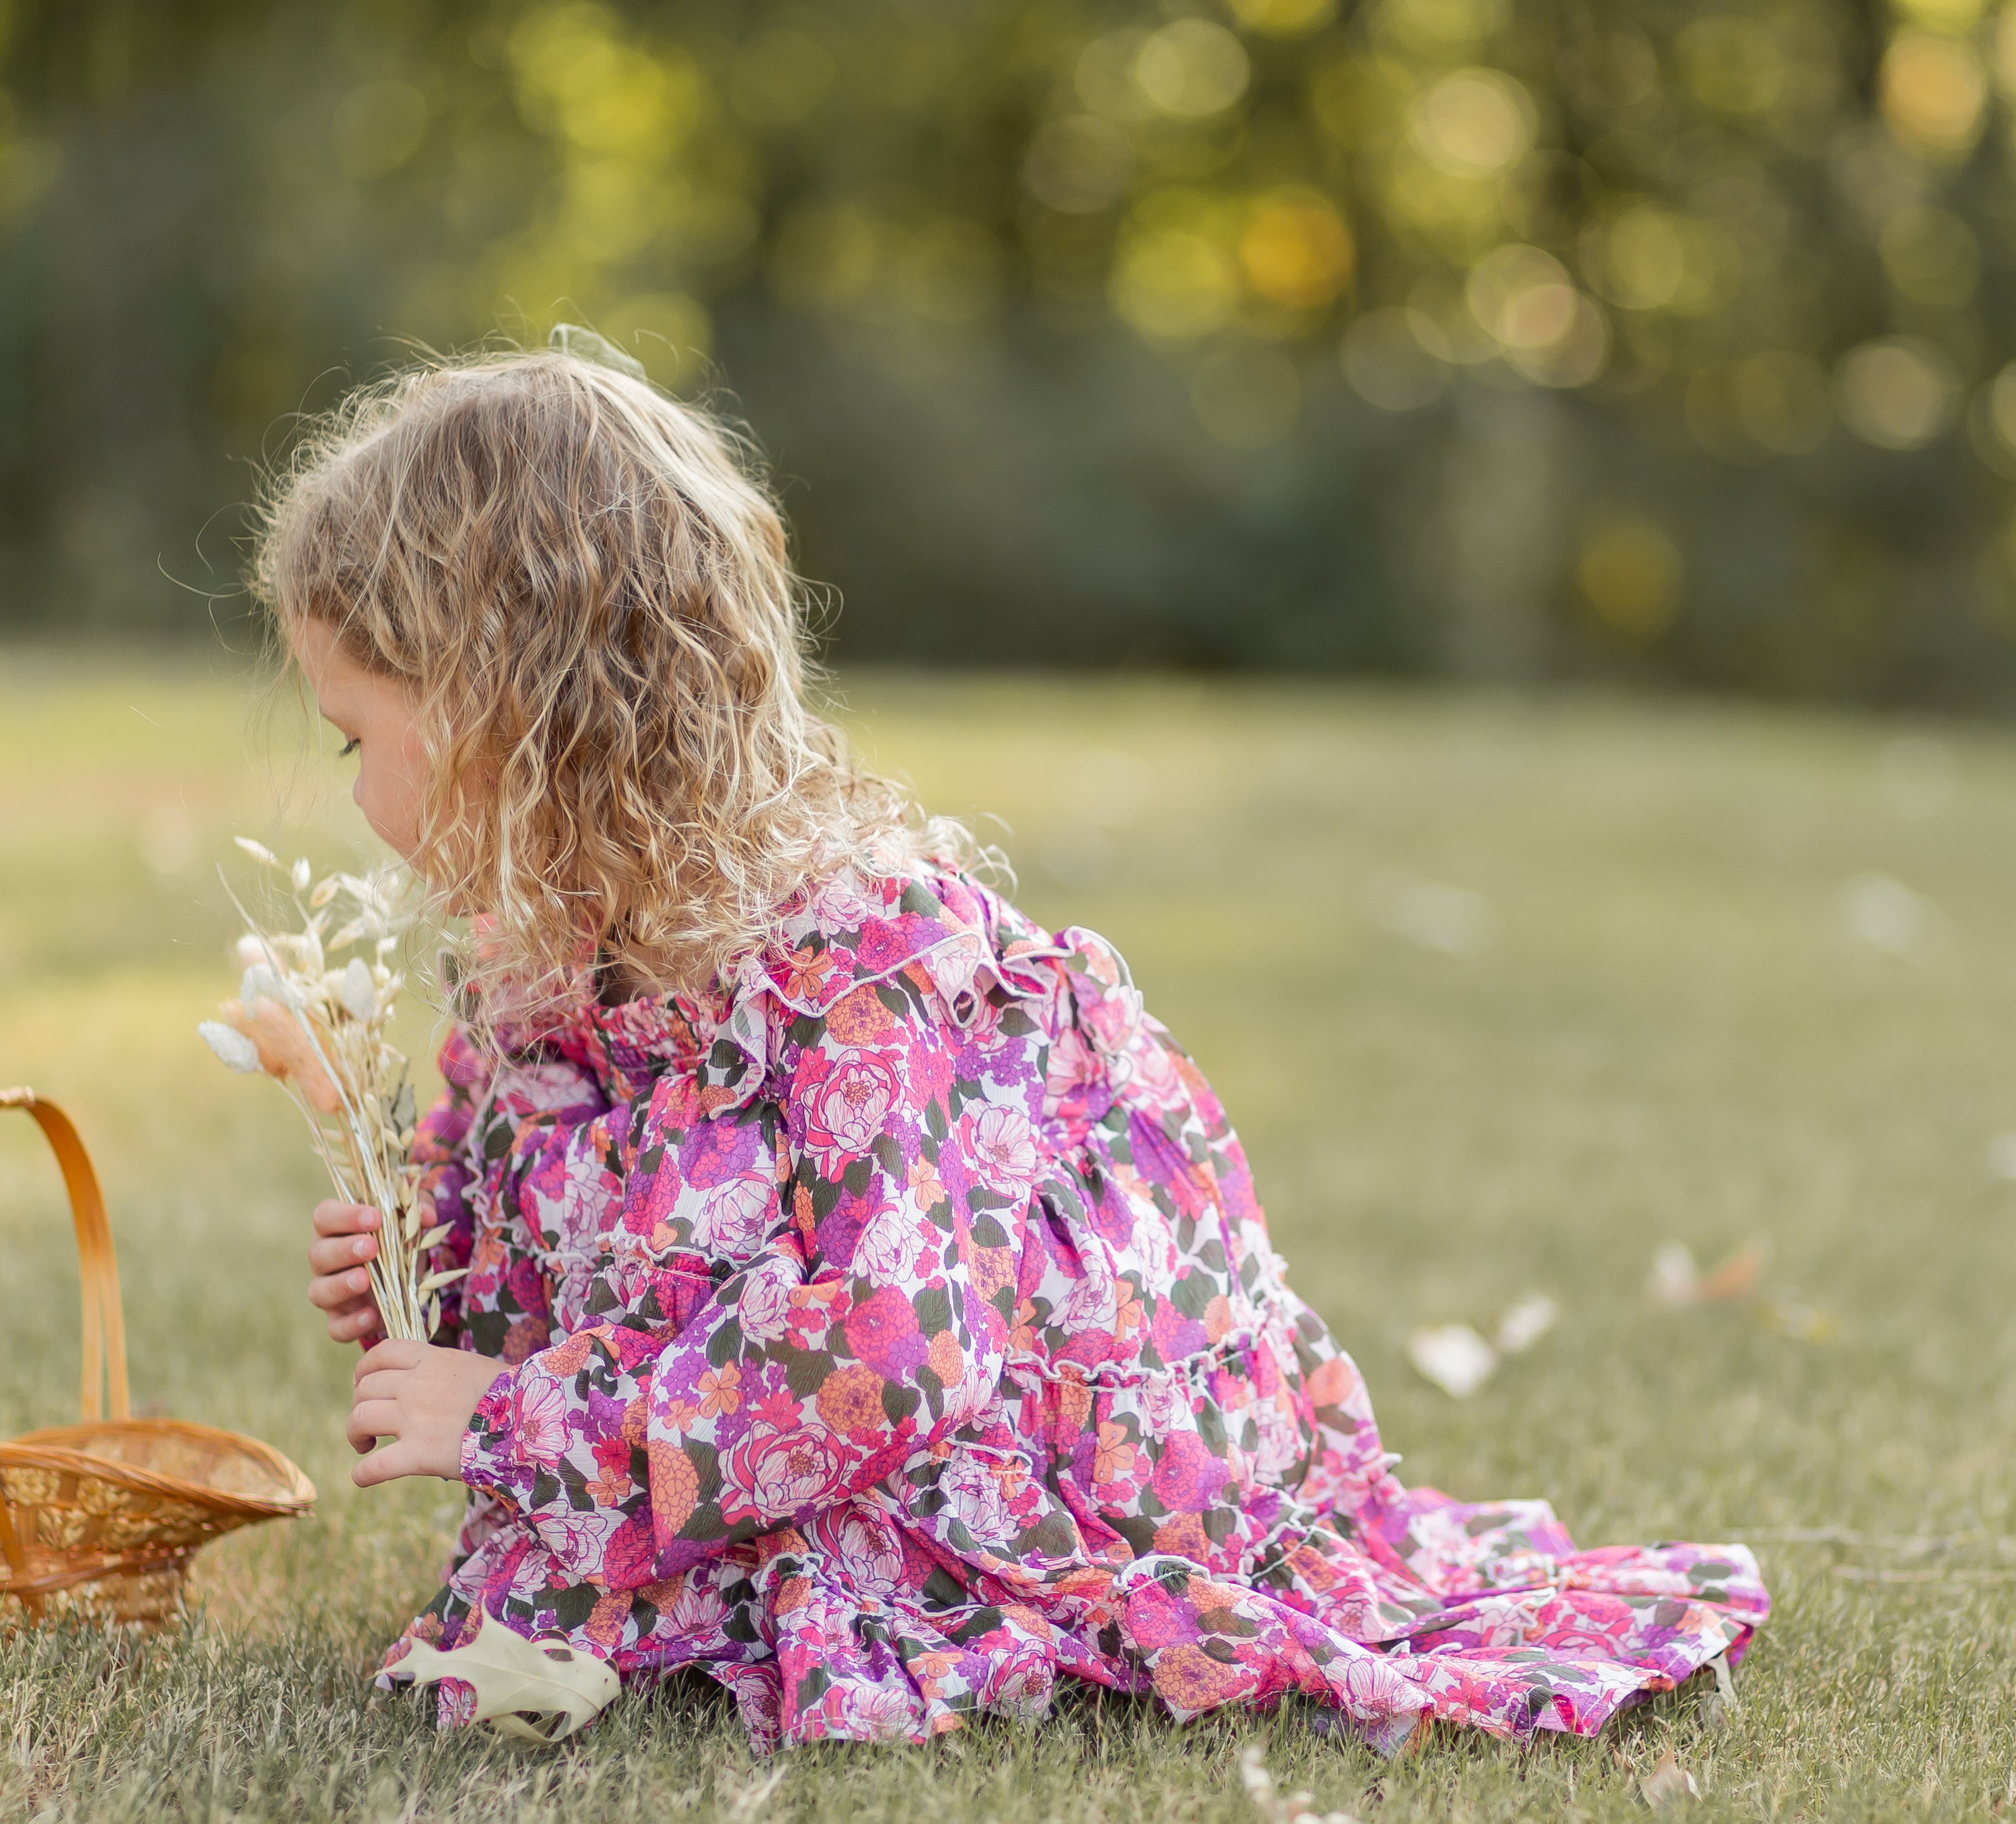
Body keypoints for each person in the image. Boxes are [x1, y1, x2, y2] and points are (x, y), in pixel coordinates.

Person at [255, 336, 1766, 1753]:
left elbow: (900, 1347)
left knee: (753, 1599)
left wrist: (520, 1419)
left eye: (356, 736)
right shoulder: (530, 958)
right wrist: (427, 1269)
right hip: (746, 1423)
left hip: (1005, 1429)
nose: (353, 791)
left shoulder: (857, 963)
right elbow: (588, 1235)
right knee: (602, 1606)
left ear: (519, 716)